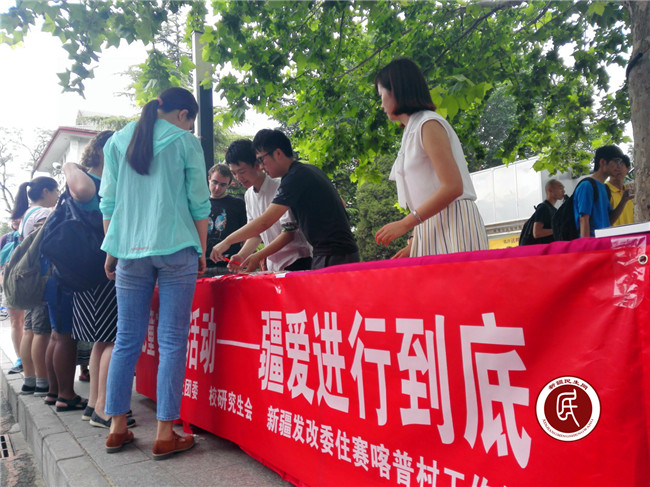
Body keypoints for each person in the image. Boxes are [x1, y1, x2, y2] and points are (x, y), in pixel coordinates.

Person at [100, 87, 210, 458]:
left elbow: (108, 202)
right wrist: (200, 248)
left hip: (129, 251)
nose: (189, 127)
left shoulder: (117, 142)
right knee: (173, 340)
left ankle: (116, 427)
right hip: (177, 246)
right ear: (184, 115)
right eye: (190, 122)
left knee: (126, 338)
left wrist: (112, 249)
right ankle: (165, 433)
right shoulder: (186, 142)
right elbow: (199, 202)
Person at [373, 58, 488, 257]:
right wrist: (414, 242)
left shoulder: (428, 124)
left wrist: (405, 223)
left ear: (397, 91)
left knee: (460, 278)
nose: (381, 104)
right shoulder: (412, 130)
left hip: (454, 221)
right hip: (429, 225)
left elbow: (453, 186)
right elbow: (424, 194)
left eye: (381, 95)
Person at [60, 131, 135, 428]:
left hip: (89, 273)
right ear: (107, 150)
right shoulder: (93, 182)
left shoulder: (97, 181)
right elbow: (82, 190)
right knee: (116, 339)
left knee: (102, 341)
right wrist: (69, 165)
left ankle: (94, 404)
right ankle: (106, 409)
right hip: (105, 270)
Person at [211, 129, 358, 270]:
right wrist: (244, 254)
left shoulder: (292, 179)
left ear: (278, 153)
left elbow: (265, 223)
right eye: (234, 173)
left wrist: (228, 242)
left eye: (261, 160)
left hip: (327, 254)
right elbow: (341, 203)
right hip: (329, 251)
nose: (261, 166)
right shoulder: (305, 171)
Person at [224, 139, 312, 272]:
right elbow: (256, 234)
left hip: (297, 261)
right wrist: (241, 256)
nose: (238, 177)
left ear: (257, 164)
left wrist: (258, 255)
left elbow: (289, 233)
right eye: (234, 173)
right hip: (274, 266)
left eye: (241, 171)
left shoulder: (281, 186)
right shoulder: (249, 195)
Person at [10, 177, 59, 396]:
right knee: (41, 332)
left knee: (30, 329)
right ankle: (42, 382)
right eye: (56, 191)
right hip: (42, 279)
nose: (57, 196)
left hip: (30, 279)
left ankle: (30, 380)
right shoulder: (43, 214)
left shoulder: (28, 214)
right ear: (46, 191)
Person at [574, 145, 631, 237]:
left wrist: (623, 201)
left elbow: (609, 220)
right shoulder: (587, 186)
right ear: (603, 162)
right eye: (616, 161)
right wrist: (587, 245)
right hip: (592, 243)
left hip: (603, 241)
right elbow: (583, 220)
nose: (618, 166)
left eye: (621, 163)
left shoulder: (604, 188)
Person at [205, 164, 246, 275]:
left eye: (223, 185)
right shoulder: (200, 204)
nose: (217, 188)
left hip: (230, 266)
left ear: (229, 184)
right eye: (214, 182)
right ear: (209, 179)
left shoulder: (238, 204)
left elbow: (246, 236)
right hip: (202, 265)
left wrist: (243, 260)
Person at [1, 218, 25, 374]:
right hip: (10, 284)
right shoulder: (6, 239)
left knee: (29, 323)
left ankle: (29, 357)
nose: (16, 219)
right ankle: (20, 358)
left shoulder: (29, 234)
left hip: (29, 283)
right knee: (16, 322)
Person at [530, 179, 565, 244]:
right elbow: (537, 233)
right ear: (550, 190)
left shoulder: (554, 210)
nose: (563, 191)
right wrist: (557, 230)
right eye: (560, 188)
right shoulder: (543, 208)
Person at [606, 154, 634, 227]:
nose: (616, 168)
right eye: (613, 165)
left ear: (628, 169)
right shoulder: (604, 190)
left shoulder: (631, 193)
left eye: (620, 164)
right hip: (613, 234)